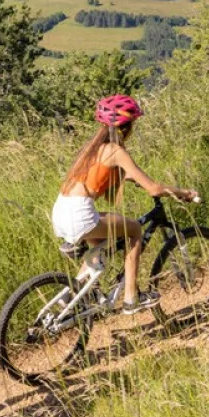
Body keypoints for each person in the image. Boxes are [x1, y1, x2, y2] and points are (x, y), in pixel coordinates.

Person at [52, 95, 198, 314]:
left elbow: (101, 176)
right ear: (125, 127)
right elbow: (154, 189)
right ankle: (132, 298)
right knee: (134, 230)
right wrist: (183, 192)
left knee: (103, 246)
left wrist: (132, 179)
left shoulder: (92, 148)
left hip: (61, 210)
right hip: (79, 213)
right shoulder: (116, 151)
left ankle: (75, 291)